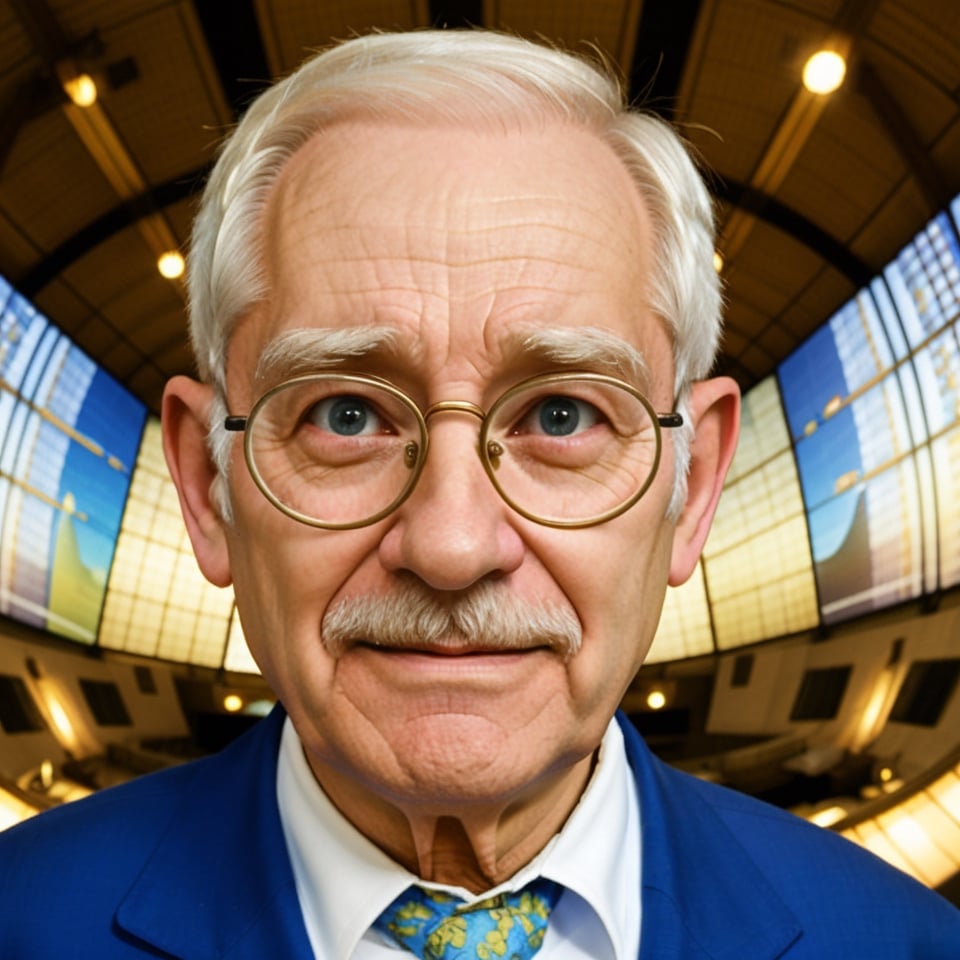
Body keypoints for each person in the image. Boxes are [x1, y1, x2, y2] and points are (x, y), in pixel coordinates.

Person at [1, 29, 958, 960]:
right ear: (211, 486)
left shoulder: (904, 943)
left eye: (560, 417)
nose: (452, 545)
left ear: (693, 483)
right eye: (344, 415)